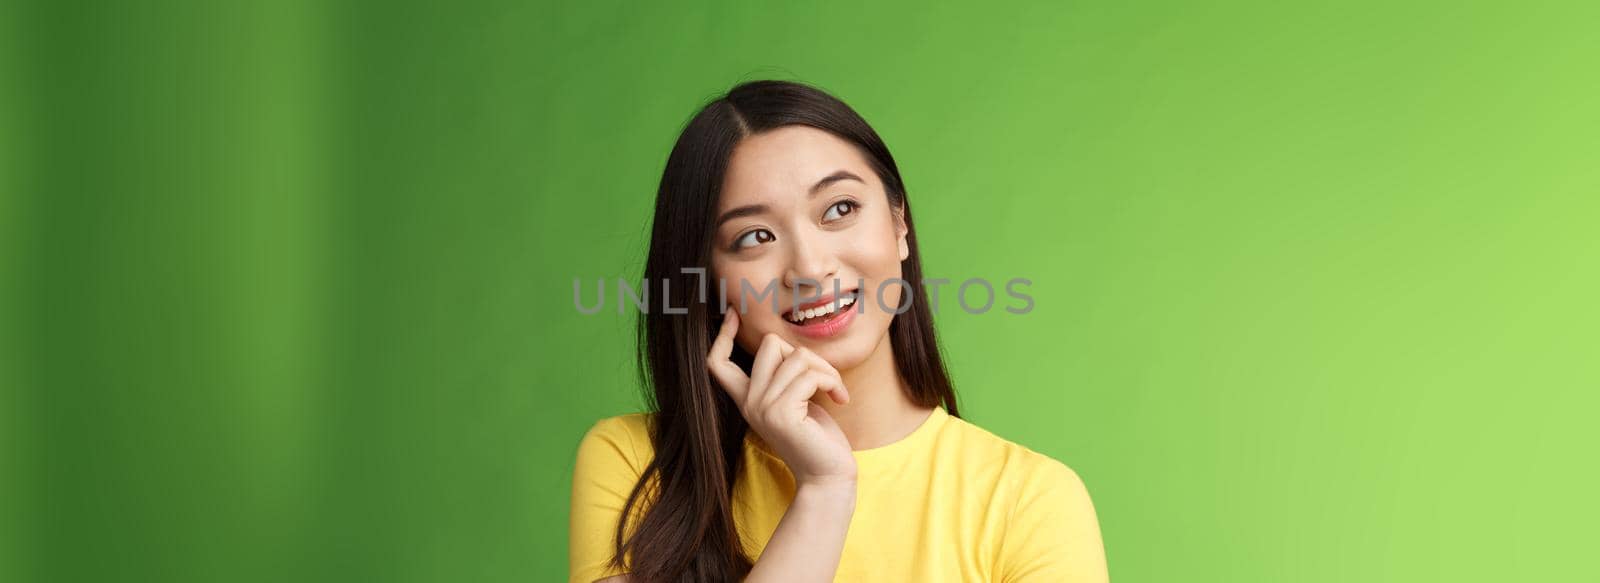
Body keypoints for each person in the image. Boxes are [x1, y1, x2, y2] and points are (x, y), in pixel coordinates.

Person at [568, 80, 1108, 583]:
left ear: (900, 225)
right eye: (755, 236)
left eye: (840, 209)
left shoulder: (1029, 500)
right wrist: (823, 494)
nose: (809, 268)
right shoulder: (638, 464)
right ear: (707, 280)